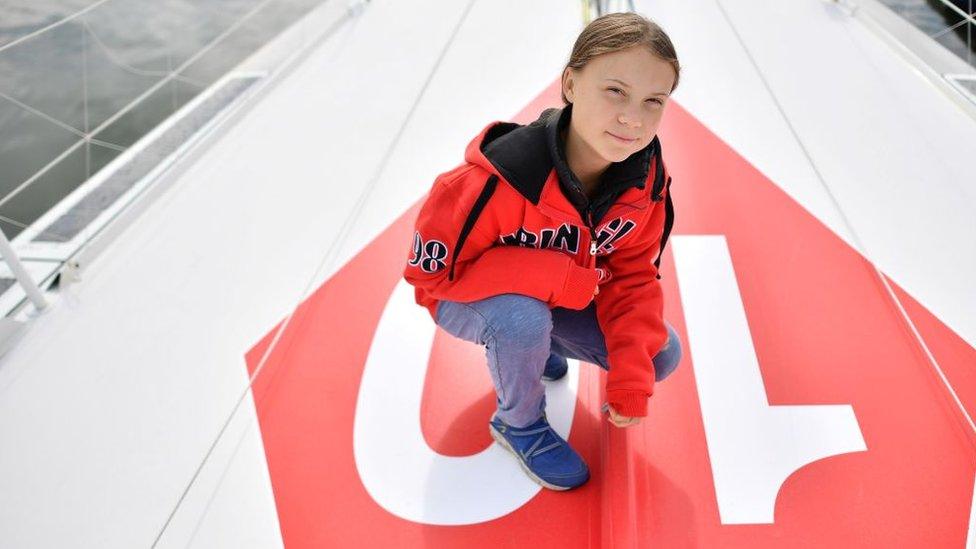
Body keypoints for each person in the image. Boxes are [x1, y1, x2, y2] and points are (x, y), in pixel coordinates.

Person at [402, 12, 682, 491]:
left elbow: (633, 278)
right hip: (465, 297)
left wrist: (630, 381)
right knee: (521, 320)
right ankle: (519, 422)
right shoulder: (488, 183)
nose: (633, 118)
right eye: (615, 90)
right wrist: (552, 278)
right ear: (570, 84)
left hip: (556, 298)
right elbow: (431, 279)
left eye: (653, 101)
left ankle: (539, 345)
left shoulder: (645, 184)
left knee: (659, 356)